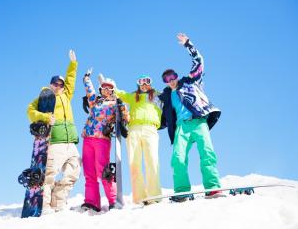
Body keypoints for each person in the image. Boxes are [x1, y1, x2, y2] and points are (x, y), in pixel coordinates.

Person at [159, 33, 223, 202]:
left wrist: (188, 44)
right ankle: (182, 191)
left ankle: (212, 187)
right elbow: (157, 115)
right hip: (181, 127)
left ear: (177, 76)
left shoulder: (189, 82)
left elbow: (199, 62)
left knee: (207, 153)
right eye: (167, 79)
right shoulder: (165, 96)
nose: (171, 80)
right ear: (165, 82)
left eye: (172, 76)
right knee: (178, 158)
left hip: (199, 122)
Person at [27, 50, 81, 213]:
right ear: (50, 84)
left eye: (60, 84)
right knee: (50, 174)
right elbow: (30, 110)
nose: (58, 86)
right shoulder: (45, 96)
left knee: (74, 172)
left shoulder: (66, 95)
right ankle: (44, 205)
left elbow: (71, 81)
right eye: (55, 83)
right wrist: (43, 117)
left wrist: (73, 65)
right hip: (55, 140)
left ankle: (58, 202)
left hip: (70, 141)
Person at [79, 70, 129, 212]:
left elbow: (126, 116)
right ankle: (92, 201)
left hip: (102, 139)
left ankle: (113, 199)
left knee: (103, 171)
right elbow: (90, 92)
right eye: (104, 88)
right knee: (89, 171)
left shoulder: (115, 103)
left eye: (109, 88)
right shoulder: (95, 102)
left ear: (113, 91)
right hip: (88, 137)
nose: (106, 90)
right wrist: (86, 78)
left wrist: (121, 107)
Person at [115, 75, 162, 204]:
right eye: (141, 82)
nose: (144, 85)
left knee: (152, 161)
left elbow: (171, 93)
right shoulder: (133, 96)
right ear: (138, 85)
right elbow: (119, 93)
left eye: (147, 82)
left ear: (151, 84)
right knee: (134, 163)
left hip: (150, 128)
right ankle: (139, 198)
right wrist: (109, 84)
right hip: (134, 129)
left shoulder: (157, 95)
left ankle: (154, 196)